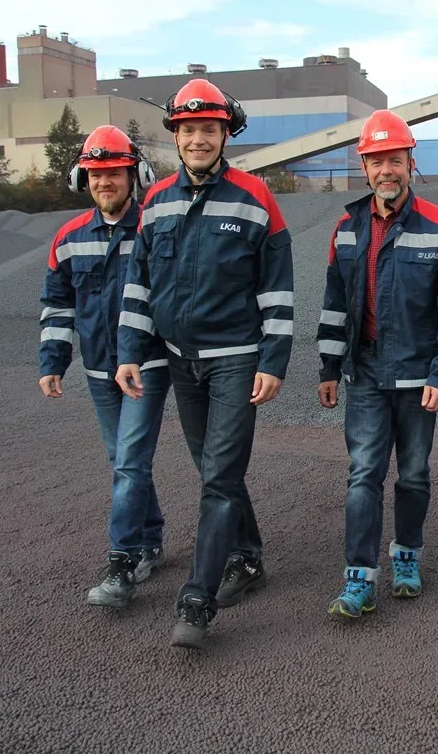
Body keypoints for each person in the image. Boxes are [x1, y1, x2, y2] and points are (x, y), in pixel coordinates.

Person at [115, 77, 295, 650]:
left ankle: (198, 597)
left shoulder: (255, 198)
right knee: (212, 470)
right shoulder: (156, 202)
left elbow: (278, 292)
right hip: (179, 362)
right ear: (177, 135)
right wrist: (129, 352)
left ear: (225, 134)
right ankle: (247, 556)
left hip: (236, 360)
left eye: (209, 129)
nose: (198, 139)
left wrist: (274, 360)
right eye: (188, 130)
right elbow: (139, 286)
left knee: (218, 475)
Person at [316, 109, 438, 620]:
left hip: (419, 378)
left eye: (396, 160)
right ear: (365, 168)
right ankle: (358, 578)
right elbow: (335, 304)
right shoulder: (345, 229)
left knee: (414, 474)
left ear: (411, 163)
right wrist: (326, 367)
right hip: (364, 375)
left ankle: (407, 556)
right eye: (377, 160)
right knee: (363, 474)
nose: (387, 170)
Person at [37, 124, 170, 608]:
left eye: (115, 173)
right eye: (96, 174)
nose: (105, 182)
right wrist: (53, 361)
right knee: (123, 462)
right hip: (98, 370)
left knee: (130, 463)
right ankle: (151, 537)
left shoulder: (155, 229)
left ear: (134, 175)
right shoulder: (69, 238)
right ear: (82, 179)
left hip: (147, 367)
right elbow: (58, 305)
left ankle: (121, 562)